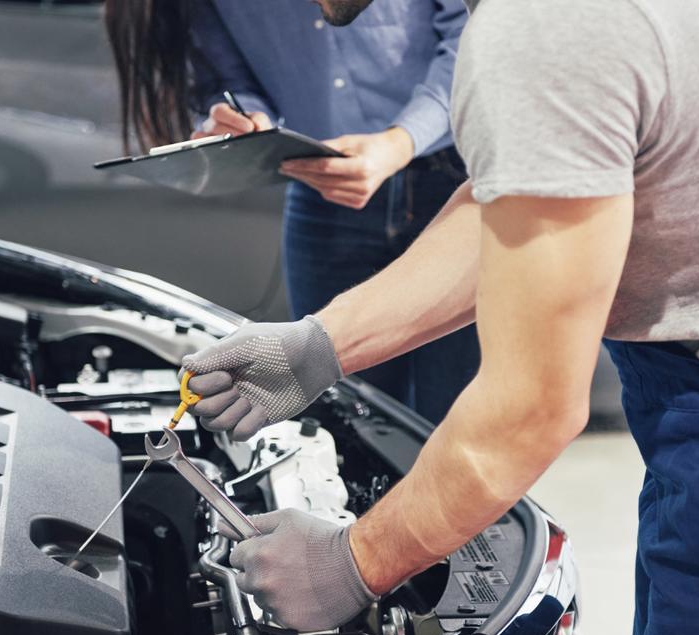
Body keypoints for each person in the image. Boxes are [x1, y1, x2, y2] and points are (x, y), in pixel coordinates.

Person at [181, 0, 699, 635]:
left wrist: (351, 562)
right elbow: (537, 193)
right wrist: (322, 345)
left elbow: (530, 407)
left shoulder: (542, 26)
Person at [102, 0, 478, 424]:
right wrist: (243, 115)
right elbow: (226, 77)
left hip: (453, 175)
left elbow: (471, 36)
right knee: (348, 418)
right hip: (322, 193)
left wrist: (401, 140)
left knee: (459, 409)